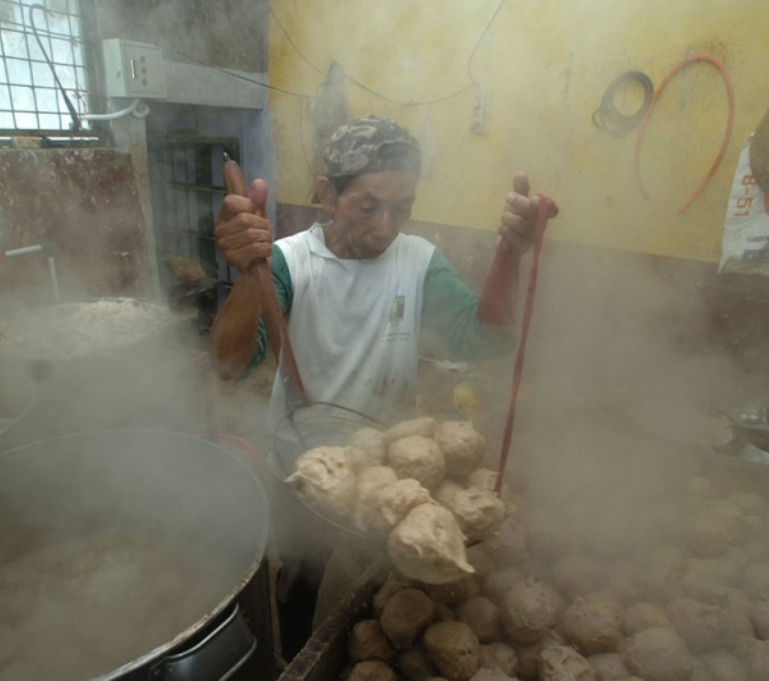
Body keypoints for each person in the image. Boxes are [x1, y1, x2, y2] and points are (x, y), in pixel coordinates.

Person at [210, 115, 557, 659]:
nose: (385, 227)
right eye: (368, 206)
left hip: (392, 465)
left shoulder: (417, 262)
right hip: (306, 467)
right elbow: (230, 363)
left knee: (388, 585)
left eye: (403, 208)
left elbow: (484, 338)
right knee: (300, 578)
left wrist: (509, 253)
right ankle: (296, 660)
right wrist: (245, 271)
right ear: (327, 195)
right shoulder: (289, 262)